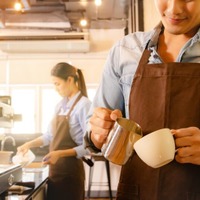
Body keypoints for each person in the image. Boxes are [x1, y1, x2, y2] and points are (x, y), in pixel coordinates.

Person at [84, 0, 200, 199]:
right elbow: (93, 136)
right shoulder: (125, 49)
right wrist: (98, 132)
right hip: (137, 192)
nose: (174, 9)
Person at [18, 62, 91, 200]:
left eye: (57, 84)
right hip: (55, 172)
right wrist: (28, 145)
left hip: (71, 174)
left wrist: (60, 154)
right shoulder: (59, 106)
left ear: (70, 80)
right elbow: (49, 136)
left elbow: (88, 147)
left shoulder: (84, 105)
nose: (55, 88)